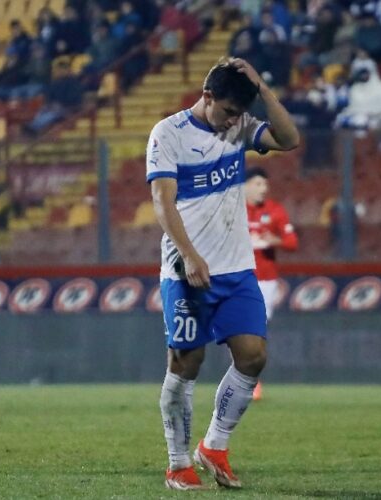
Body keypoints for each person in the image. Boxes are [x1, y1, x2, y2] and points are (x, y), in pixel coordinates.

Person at [148, 58, 299, 490]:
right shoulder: (168, 134)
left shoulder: (238, 126)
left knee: (253, 356)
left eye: (240, 112)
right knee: (186, 362)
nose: (234, 120)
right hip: (186, 269)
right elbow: (162, 202)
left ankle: (214, 445)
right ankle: (178, 462)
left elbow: (290, 139)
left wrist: (263, 88)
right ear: (207, 96)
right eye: (229, 111)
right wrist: (190, 254)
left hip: (237, 269)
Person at [244, 167, 298, 400]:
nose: (263, 189)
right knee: (240, 331)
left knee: (255, 332)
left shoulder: (274, 210)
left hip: (265, 280)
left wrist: (271, 240)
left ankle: (251, 378)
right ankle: (247, 378)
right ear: (244, 185)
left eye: (265, 184)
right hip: (235, 277)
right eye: (257, 184)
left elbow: (292, 243)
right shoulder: (231, 210)